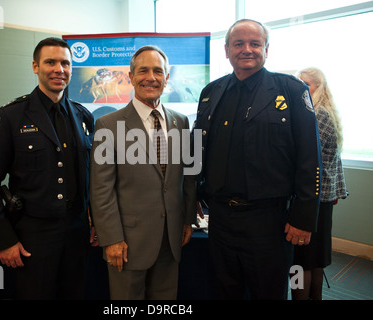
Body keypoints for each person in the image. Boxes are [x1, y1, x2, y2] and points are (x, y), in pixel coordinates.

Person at [193, 19, 322, 299]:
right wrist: (190, 196)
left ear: (267, 49)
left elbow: (310, 155)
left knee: (268, 292)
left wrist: (304, 216)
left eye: (255, 43)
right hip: (221, 218)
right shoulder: (210, 93)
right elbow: (195, 148)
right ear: (226, 50)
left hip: (269, 220)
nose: (247, 49)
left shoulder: (290, 89)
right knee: (224, 290)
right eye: (238, 44)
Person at [0, 37, 95, 299]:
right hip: (32, 236)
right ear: (35, 66)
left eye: (65, 63)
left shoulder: (82, 115)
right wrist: (4, 239)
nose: (59, 69)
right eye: (50, 62)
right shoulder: (11, 116)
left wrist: (95, 221)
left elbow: (90, 175)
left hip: (77, 234)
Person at [90, 45, 196, 300]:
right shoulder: (108, 124)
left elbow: (187, 176)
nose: (151, 77)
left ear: (167, 78)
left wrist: (186, 219)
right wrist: (111, 238)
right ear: (131, 77)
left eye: (158, 71)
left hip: (170, 240)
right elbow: (101, 188)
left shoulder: (180, 121)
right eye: (143, 70)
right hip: (127, 242)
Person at [292, 67, 348, 300]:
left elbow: (309, 159)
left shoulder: (317, 114)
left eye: (307, 85)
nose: (302, 89)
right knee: (314, 259)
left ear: (319, 86)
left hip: (312, 198)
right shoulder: (325, 111)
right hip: (322, 198)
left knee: (300, 261)